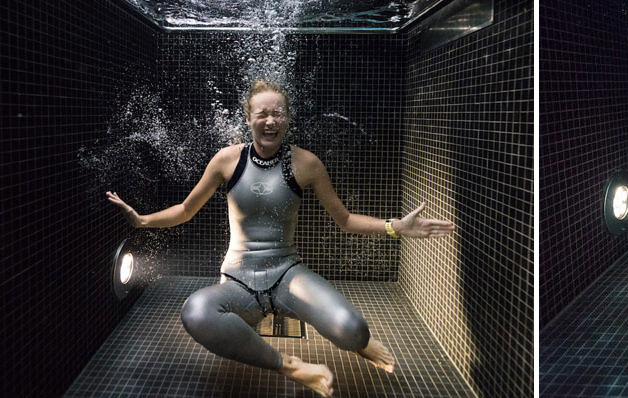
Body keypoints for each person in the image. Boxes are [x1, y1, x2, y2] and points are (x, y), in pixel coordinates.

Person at [106, 80, 455, 397]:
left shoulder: (306, 163)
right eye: (262, 114)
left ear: (287, 119)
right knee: (196, 312)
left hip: (289, 276)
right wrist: (142, 220)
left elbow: (345, 220)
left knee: (354, 331)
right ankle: (291, 367)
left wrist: (396, 227)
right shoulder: (227, 160)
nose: (270, 121)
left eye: (278, 114)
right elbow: (185, 209)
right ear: (248, 118)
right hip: (237, 280)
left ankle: (359, 344)